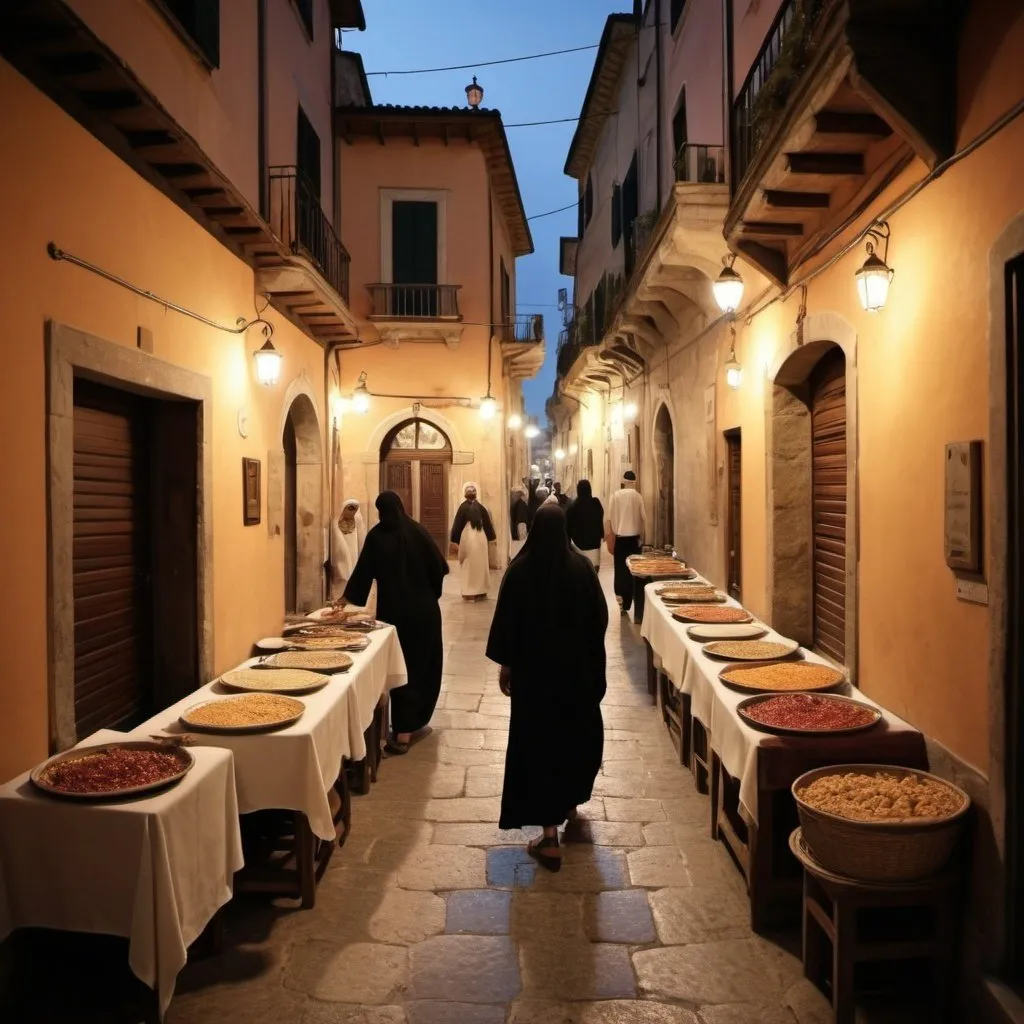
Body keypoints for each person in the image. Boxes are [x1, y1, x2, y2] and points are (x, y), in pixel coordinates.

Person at [486, 505, 608, 871]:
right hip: (576, 679)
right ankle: (568, 800)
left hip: (536, 682)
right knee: (574, 739)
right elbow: (599, 619)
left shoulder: (521, 571)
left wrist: (508, 666)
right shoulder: (582, 568)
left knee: (540, 747)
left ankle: (550, 835)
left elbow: (507, 623)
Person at [339, 491, 449, 754]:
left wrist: (342, 601)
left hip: (394, 616)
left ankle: (401, 729)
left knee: (401, 667)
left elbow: (362, 575)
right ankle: (407, 728)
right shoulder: (418, 532)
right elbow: (439, 569)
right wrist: (428, 595)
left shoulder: (377, 537)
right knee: (422, 666)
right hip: (424, 613)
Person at [606, 470, 647, 615]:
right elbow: (644, 518)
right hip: (634, 540)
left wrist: (610, 536)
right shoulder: (638, 497)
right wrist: (643, 537)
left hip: (620, 539)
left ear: (623, 481)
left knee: (620, 569)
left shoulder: (615, 496)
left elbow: (609, 519)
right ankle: (631, 600)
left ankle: (622, 601)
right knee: (633, 571)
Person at [450, 482, 496, 600]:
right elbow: (487, 525)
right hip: (480, 538)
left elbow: (457, 525)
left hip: (468, 538)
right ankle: (481, 591)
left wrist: (454, 540)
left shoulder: (462, 507)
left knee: (468, 565)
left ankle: (469, 591)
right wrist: (491, 538)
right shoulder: (481, 507)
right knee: (481, 564)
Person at [329, 498, 366, 601]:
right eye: (349, 508)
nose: (351, 511)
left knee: (352, 571)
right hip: (340, 555)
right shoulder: (336, 522)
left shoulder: (358, 522)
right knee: (342, 573)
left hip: (353, 551)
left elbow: (361, 539)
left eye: (353, 509)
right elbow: (336, 541)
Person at [566, 479, 604, 569]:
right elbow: (600, 519)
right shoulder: (596, 503)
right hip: (595, 546)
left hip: (578, 547)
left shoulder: (572, 507)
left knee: (581, 572)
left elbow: (568, 529)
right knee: (594, 572)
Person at [509, 486, 529, 561]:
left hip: (521, 525)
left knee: (521, 543)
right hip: (521, 524)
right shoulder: (520, 503)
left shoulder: (520, 504)